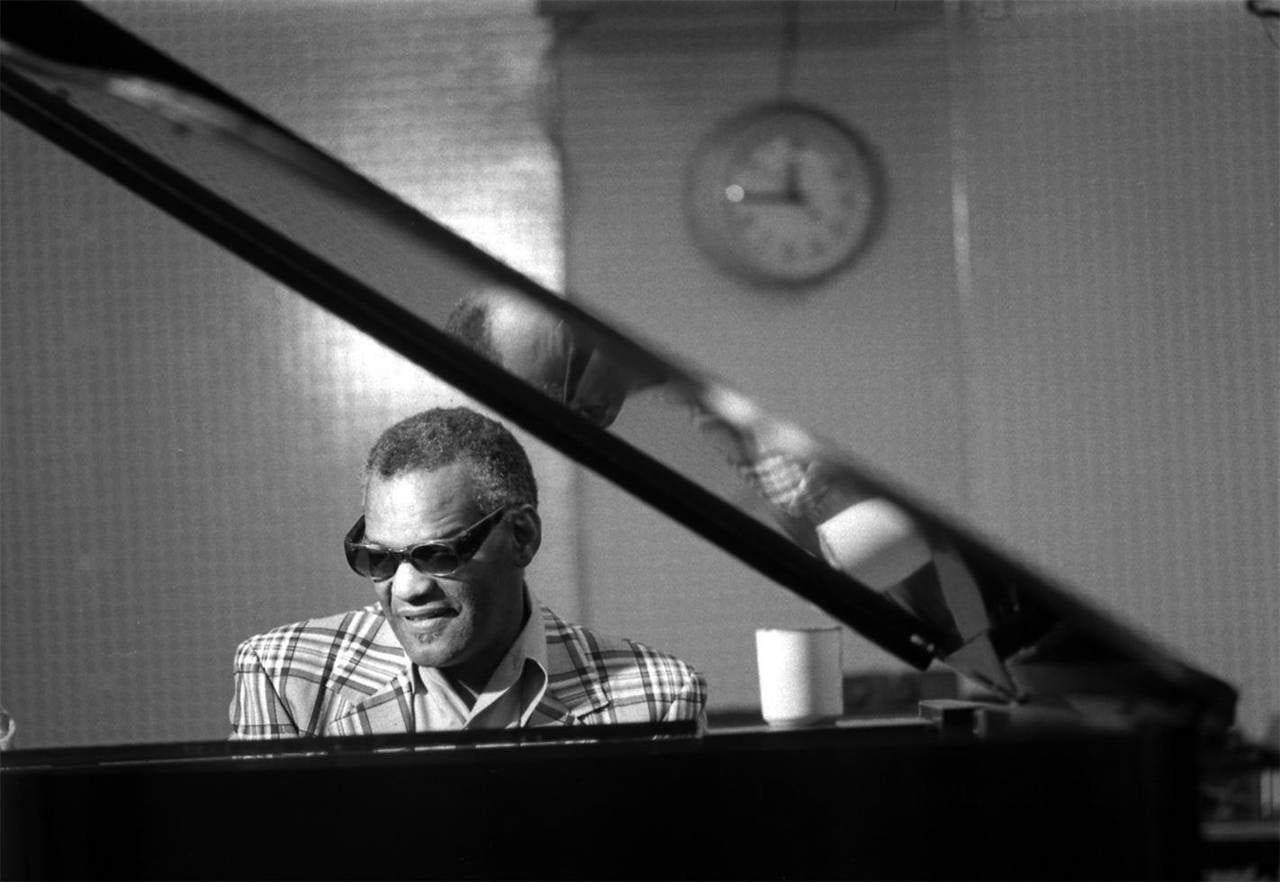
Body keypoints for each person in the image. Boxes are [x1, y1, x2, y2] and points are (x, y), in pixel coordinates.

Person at [229, 407, 706, 738]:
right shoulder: (285, 679)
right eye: (380, 559)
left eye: (438, 555)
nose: (408, 589)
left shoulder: (657, 699)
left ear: (522, 536)